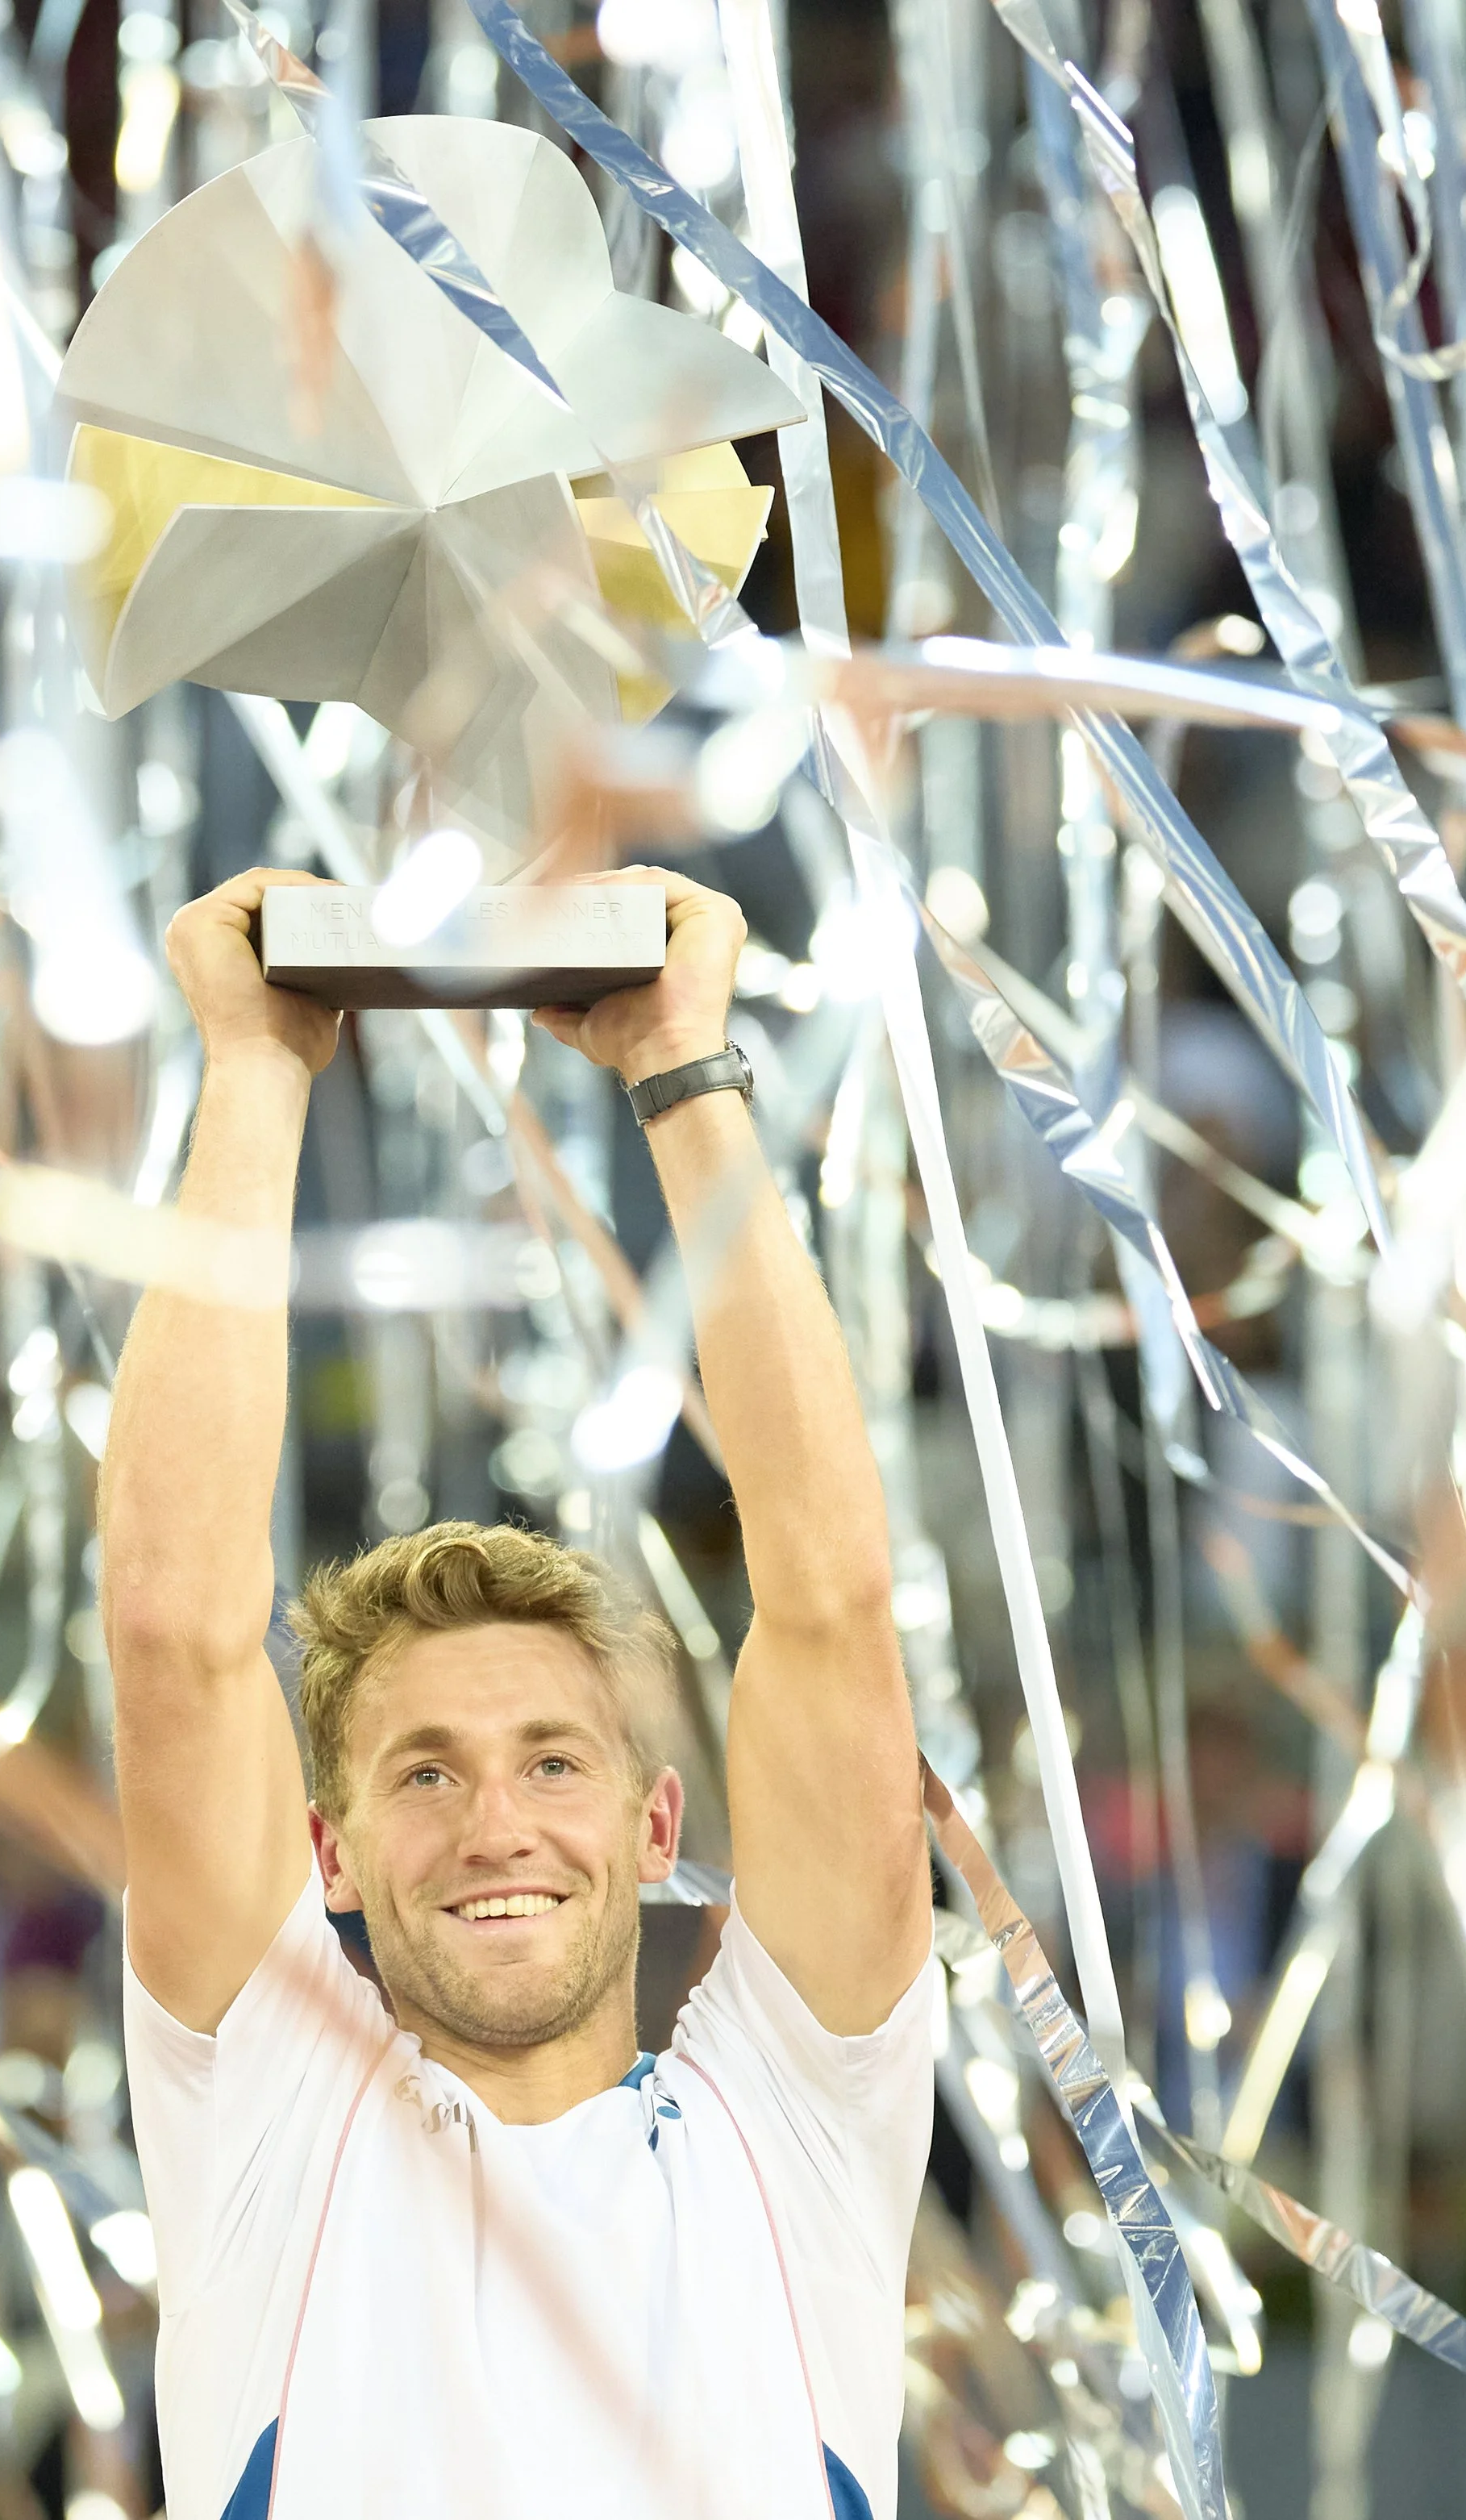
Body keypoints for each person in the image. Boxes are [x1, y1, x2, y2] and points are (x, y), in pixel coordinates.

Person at [98, 864, 935, 2520]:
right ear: (326, 1855)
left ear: (650, 1822)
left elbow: (831, 1607)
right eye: (419, 1772)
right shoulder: (273, 2129)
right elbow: (176, 1635)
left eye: (551, 1760)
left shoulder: (795, 2133)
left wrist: (684, 1071)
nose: (494, 1821)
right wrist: (255, 1069)